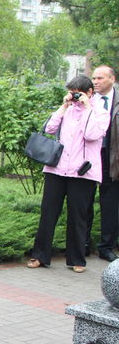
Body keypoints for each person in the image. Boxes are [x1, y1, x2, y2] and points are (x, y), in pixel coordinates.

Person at [28, 75, 110, 273]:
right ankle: (40, 255)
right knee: (48, 213)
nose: (74, 96)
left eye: (78, 92)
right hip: (57, 169)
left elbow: (92, 134)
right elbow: (49, 128)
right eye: (71, 92)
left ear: (90, 93)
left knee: (77, 216)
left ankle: (76, 259)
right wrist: (63, 107)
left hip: (82, 173)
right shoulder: (67, 110)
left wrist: (88, 107)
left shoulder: (100, 113)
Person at [86, 66, 119, 261]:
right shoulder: (87, 100)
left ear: (112, 79)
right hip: (89, 157)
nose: (96, 81)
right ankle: (82, 245)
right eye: (94, 78)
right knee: (84, 201)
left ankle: (106, 247)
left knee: (110, 204)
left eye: (100, 78)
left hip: (112, 158)